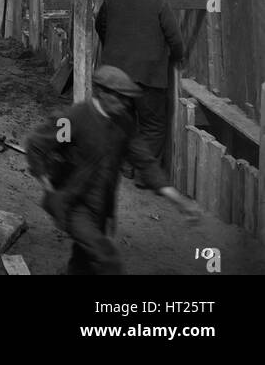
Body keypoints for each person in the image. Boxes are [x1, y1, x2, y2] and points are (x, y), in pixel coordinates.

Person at [24, 65, 200, 275]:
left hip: (101, 207)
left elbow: (144, 161)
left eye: (127, 99)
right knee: (107, 258)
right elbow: (36, 144)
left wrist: (177, 199)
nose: (124, 103)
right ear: (101, 92)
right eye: (119, 97)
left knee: (82, 261)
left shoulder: (123, 124)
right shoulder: (75, 118)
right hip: (73, 204)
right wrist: (48, 186)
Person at [96, 0, 185, 171]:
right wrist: (178, 58)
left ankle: (124, 165)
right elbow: (175, 39)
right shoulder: (159, 1)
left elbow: (100, 26)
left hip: (115, 74)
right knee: (152, 125)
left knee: (118, 119)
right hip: (149, 75)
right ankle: (146, 173)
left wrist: (113, 48)